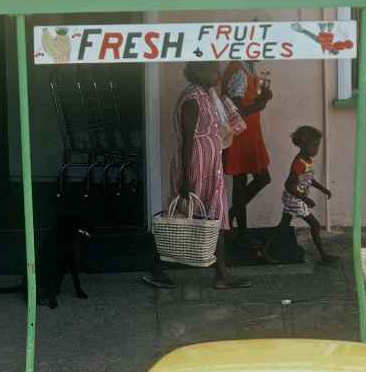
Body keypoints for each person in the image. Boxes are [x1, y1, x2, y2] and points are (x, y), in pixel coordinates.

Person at [142, 62, 250, 290]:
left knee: (216, 217)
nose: (218, 74)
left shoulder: (207, 96)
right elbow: (188, 141)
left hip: (210, 167)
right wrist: (186, 178)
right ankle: (157, 269)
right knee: (182, 217)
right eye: (214, 70)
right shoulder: (192, 98)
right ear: (199, 72)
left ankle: (221, 274)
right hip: (195, 166)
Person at [266, 126, 337, 264]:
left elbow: (309, 179)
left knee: (284, 224)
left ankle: (267, 250)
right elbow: (289, 185)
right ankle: (323, 255)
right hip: (295, 199)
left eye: (318, 145)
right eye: (314, 145)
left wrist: (323, 189)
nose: (317, 149)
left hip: (292, 197)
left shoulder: (307, 160)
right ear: (303, 145)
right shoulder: (299, 163)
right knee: (315, 224)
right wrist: (305, 199)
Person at [221, 61, 274, 239]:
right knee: (246, 181)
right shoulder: (239, 72)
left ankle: (232, 220)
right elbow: (236, 111)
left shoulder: (247, 68)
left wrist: (262, 97)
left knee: (245, 182)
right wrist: (260, 104)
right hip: (242, 133)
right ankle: (239, 230)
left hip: (249, 132)